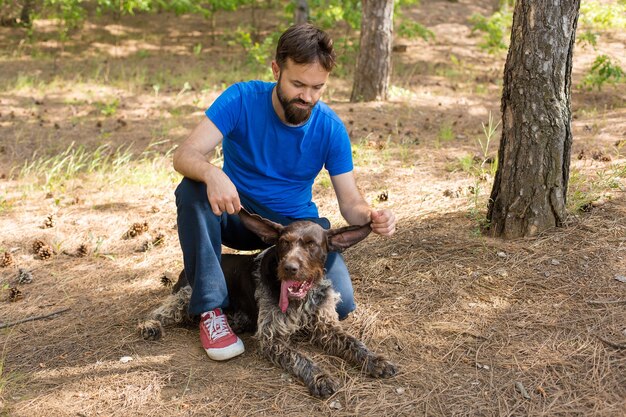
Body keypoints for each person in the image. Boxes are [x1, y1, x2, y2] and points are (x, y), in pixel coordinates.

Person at [172, 23, 396, 361]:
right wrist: (210, 172)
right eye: (297, 84)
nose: (307, 96)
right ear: (276, 69)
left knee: (344, 303)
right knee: (192, 189)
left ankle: (250, 282)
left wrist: (371, 216)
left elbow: (351, 203)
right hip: (238, 216)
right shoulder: (241, 99)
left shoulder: (329, 127)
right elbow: (184, 154)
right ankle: (211, 309)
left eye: (318, 87)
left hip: (294, 234)